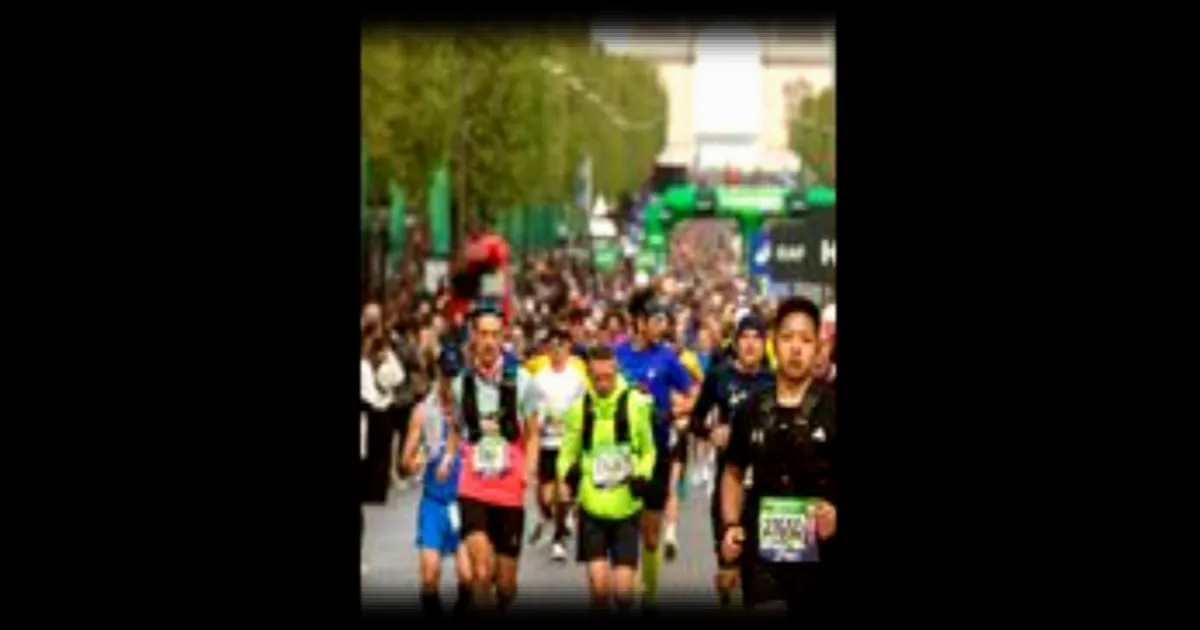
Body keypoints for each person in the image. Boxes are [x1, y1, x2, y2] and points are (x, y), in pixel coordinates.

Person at [717, 297, 837, 613]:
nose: (796, 348)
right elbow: (732, 472)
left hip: (824, 561)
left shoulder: (833, 408)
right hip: (763, 555)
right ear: (774, 343)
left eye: (806, 339)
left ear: (819, 347)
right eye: (787, 338)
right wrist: (730, 525)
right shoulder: (750, 409)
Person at [445, 303, 539, 612]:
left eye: (494, 335)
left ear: (503, 338)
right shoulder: (461, 384)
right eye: (483, 334)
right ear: (473, 336)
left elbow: (533, 433)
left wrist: (529, 471)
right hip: (473, 488)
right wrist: (449, 457)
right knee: (481, 573)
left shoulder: (523, 380)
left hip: (510, 491)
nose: (488, 341)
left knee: (506, 585)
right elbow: (457, 429)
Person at [555, 345, 656, 613]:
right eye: (596, 378)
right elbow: (566, 453)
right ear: (589, 375)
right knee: (599, 587)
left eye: (607, 377)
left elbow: (648, 451)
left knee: (623, 594)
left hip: (626, 508)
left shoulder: (635, 404)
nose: (602, 384)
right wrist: (565, 478)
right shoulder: (579, 409)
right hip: (592, 507)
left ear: (616, 372)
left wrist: (643, 475)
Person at [613, 290, 697, 607]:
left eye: (664, 319)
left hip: (657, 453)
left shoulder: (667, 358)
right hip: (620, 455)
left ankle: (648, 596)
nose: (662, 325)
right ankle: (623, 588)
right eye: (656, 319)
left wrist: (672, 413)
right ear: (639, 322)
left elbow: (692, 396)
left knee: (650, 535)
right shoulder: (617, 355)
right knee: (623, 531)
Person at [689, 311, 775, 609]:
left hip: (766, 487)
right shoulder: (720, 376)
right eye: (745, 337)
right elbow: (695, 420)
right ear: (736, 343)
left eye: (757, 338)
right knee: (728, 571)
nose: (751, 344)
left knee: (764, 573)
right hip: (730, 485)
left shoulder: (773, 380)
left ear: (766, 344)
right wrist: (712, 431)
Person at [401, 346, 473, 615]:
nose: (450, 382)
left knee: (468, 577)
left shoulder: (468, 409)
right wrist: (413, 463)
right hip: (433, 501)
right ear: (437, 373)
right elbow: (404, 463)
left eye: (455, 375)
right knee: (430, 575)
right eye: (446, 374)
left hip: (464, 502)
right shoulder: (422, 411)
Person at [527, 327, 589, 560]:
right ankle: (555, 519)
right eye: (552, 346)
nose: (557, 351)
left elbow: (584, 407)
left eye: (561, 346)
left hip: (567, 443)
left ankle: (558, 539)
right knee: (545, 496)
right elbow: (531, 411)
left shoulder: (577, 377)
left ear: (569, 348)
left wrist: (575, 425)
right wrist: (541, 421)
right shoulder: (539, 379)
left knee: (562, 491)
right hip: (545, 442)